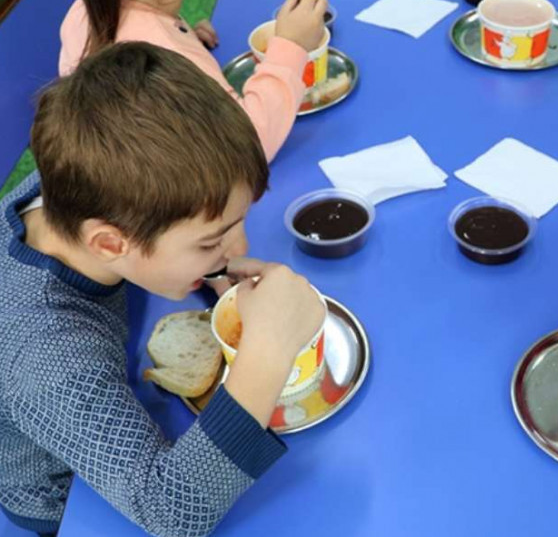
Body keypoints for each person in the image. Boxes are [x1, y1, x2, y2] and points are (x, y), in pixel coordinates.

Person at [0, 42, 324, 537]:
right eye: (212, 240)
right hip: (65, 501)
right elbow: (169, 514)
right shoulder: (48, 356)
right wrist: (268, 351)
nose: (241, 247)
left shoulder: (74, 185)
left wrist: (210, 263)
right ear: (109, 243)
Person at [60, 0, 328, 162]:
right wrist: (291, 47)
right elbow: (249, 147)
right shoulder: (164, 56)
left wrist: (183, 34)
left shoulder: (88, 8)